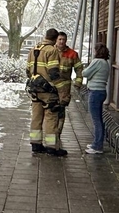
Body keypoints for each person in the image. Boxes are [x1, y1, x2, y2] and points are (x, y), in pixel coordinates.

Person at [26, 28, 66, 156]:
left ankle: (36, 144)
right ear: (55, 39)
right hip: (48, 90)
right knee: (51, 117)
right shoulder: (52, 50)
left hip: (34, 88)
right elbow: (54, 73)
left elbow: (27, 70)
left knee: (36, 117)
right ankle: (51, 147)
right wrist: (61, 89)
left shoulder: (34, 49)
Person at [54, 31, 84, 148]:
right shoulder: (50, 51)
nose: (61, 42)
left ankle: (57, 134)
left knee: (61, 111)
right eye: (60, 39)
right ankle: (51, 134)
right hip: (51, 87)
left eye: (63, 40)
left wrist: (78, 82)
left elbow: (79, 69)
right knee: (51, 111)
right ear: (56, 40)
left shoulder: (72, 54)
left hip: (64, 89)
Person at [81, 44, 111, 154]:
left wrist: (88, 73)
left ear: (97, 51)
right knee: (99, 119)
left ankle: (97, 146)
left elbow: (85, 73)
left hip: (95, 92)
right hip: (102, 91)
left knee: (96, 120)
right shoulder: (105, 63)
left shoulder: (97, 61)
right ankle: (98, 142)